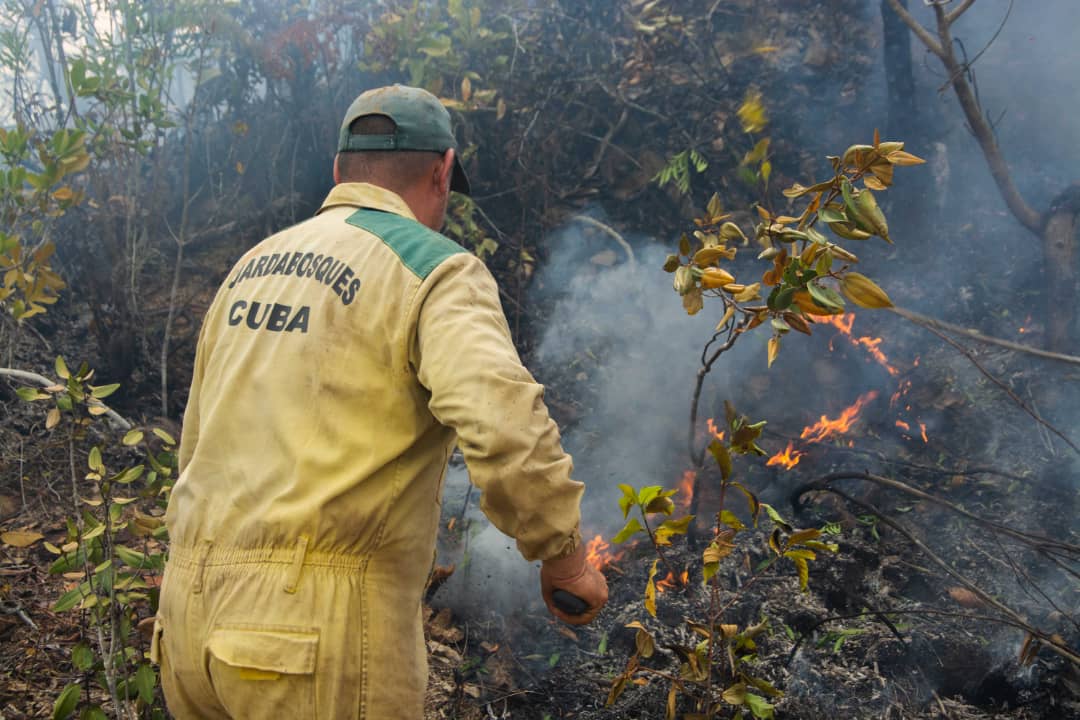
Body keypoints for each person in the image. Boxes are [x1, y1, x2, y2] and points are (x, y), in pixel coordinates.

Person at [152, 84, 608, 719]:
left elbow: (195, 444)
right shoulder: (433, 268)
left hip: (187, 625)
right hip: (308, 640)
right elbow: (504, 428)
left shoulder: (250, 267)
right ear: (443, 170)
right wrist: (564, 560)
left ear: (340, 171)